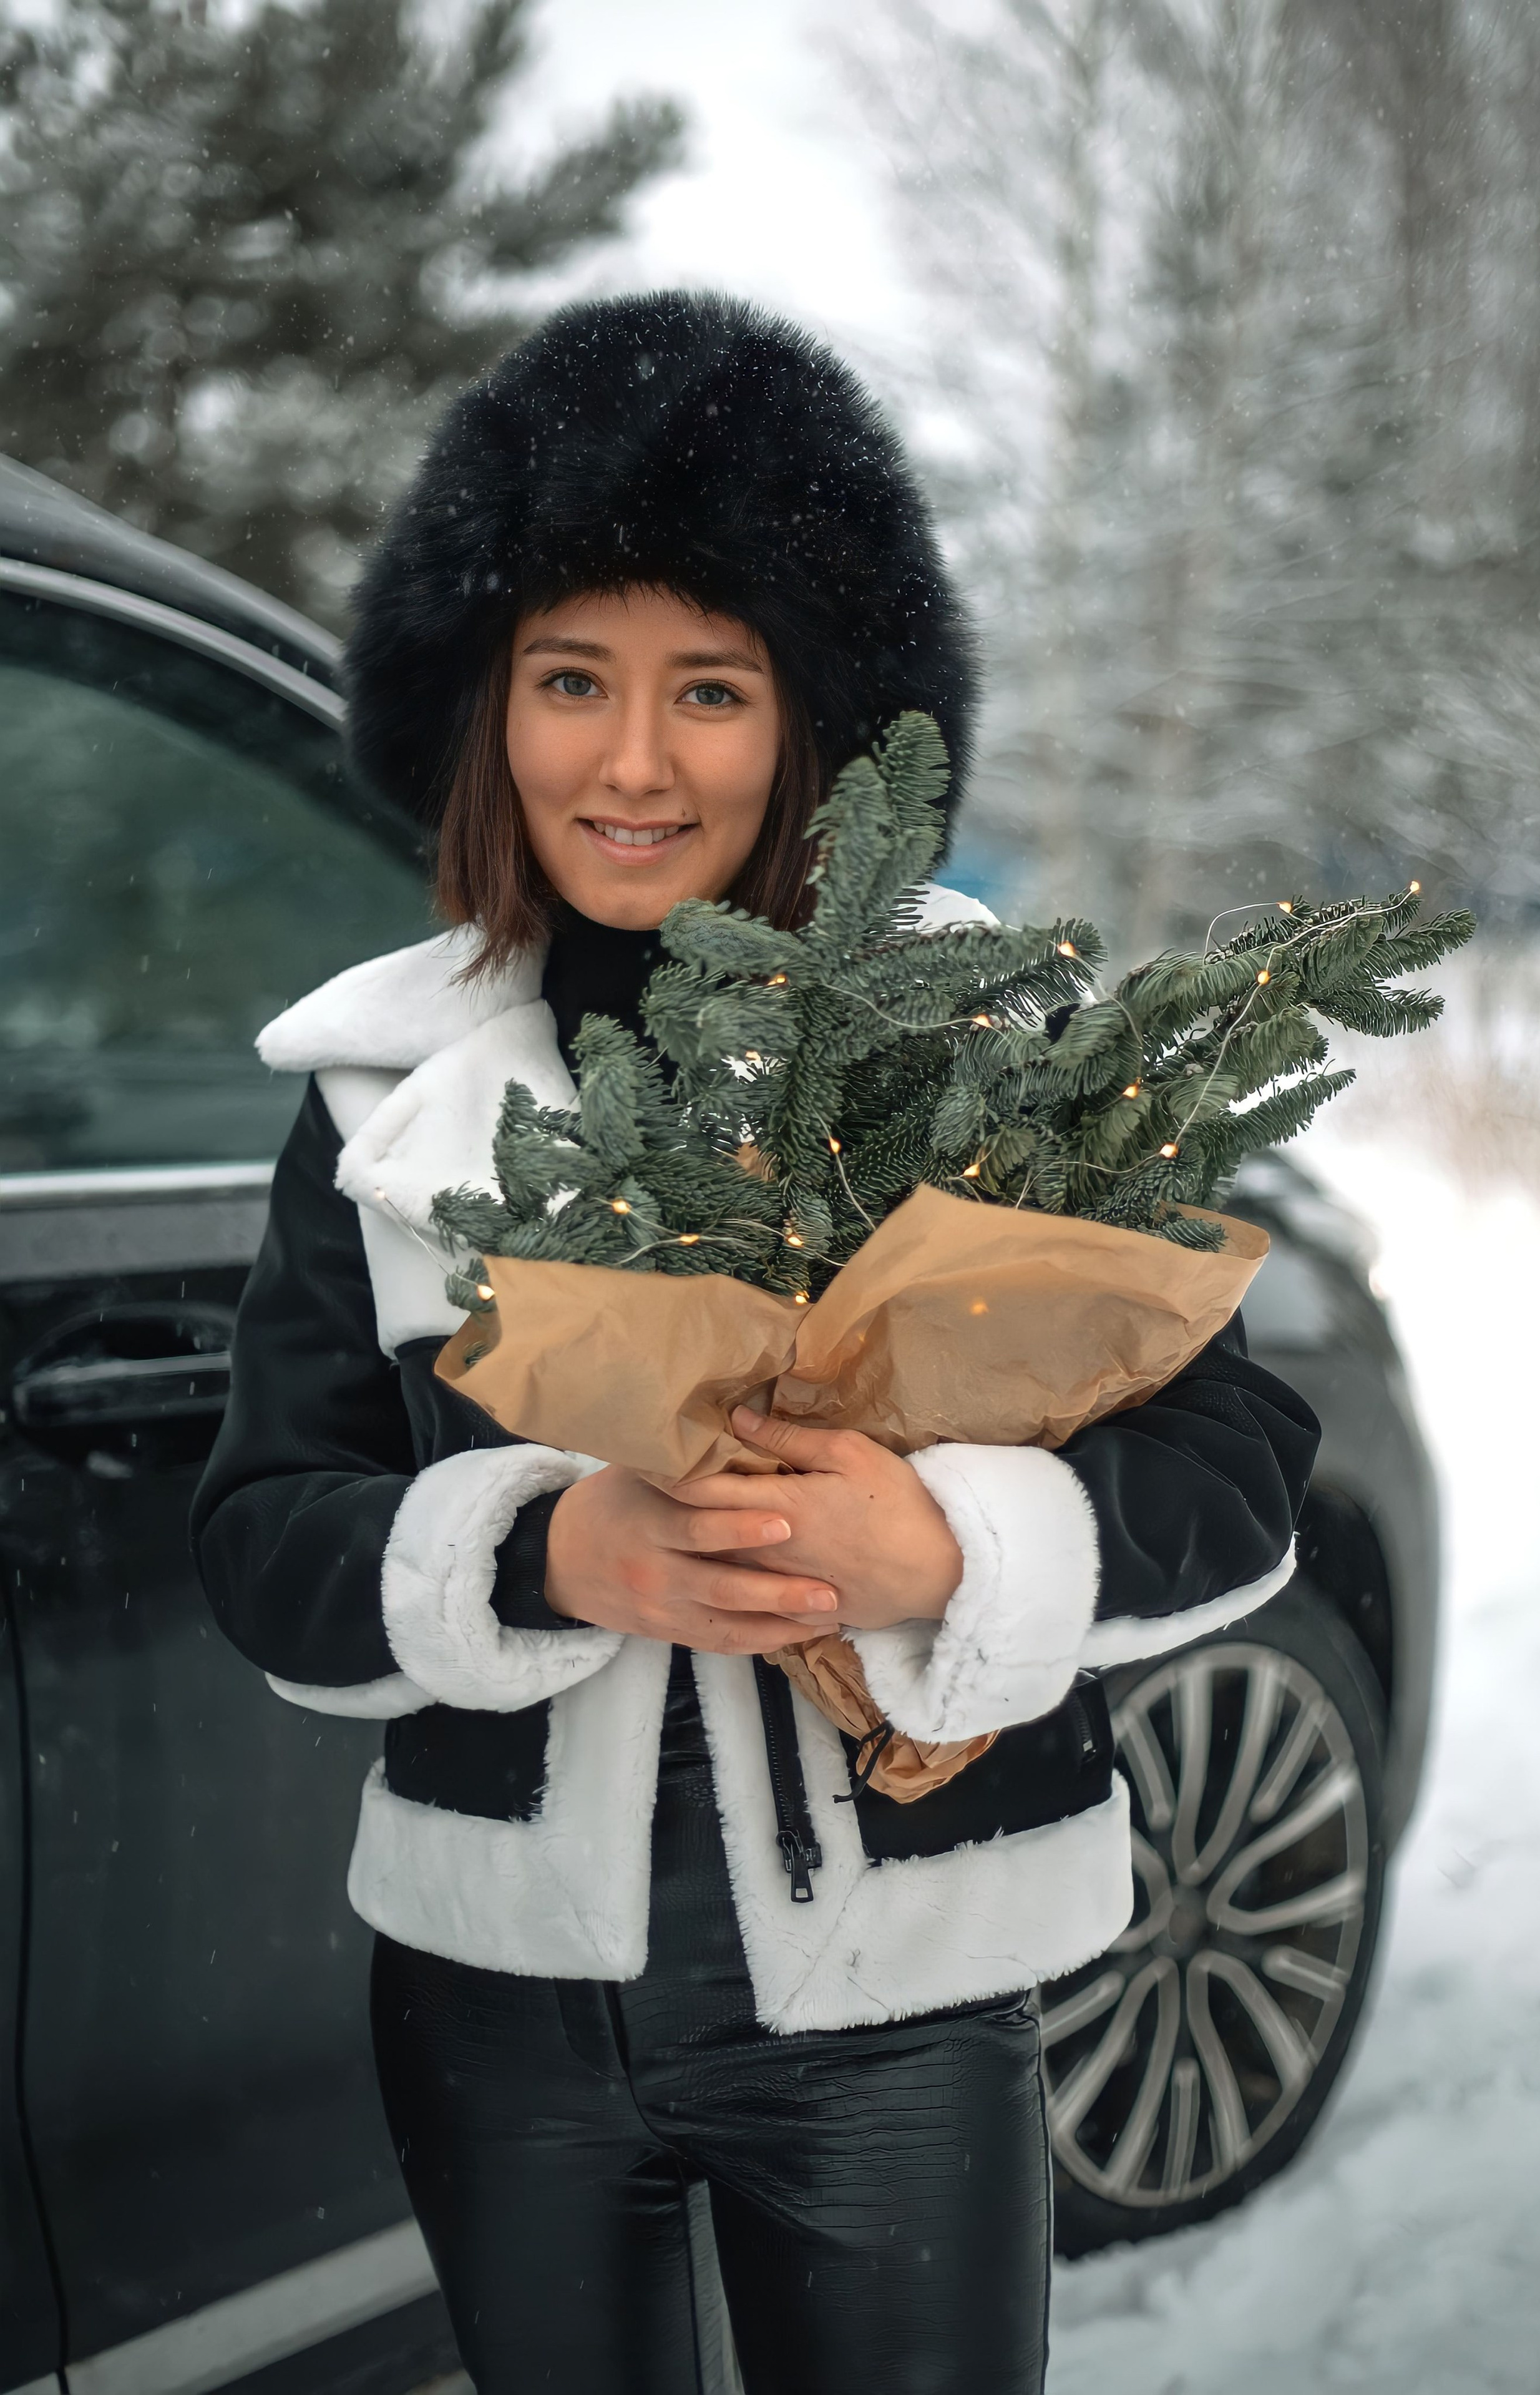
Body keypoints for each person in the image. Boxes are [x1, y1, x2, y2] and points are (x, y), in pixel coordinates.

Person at [193, 293, 1318, 2395]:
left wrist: (955, 1553)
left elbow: (1239, 1472)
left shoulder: (998, 1056)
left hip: (900, 2012)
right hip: (493, 2016)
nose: (631, 762)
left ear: (819, 718)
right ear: (479, 710)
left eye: (708, 687)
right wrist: (540, 1558)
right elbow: (269, 1543)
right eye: (569, 682)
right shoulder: (378, 1095)